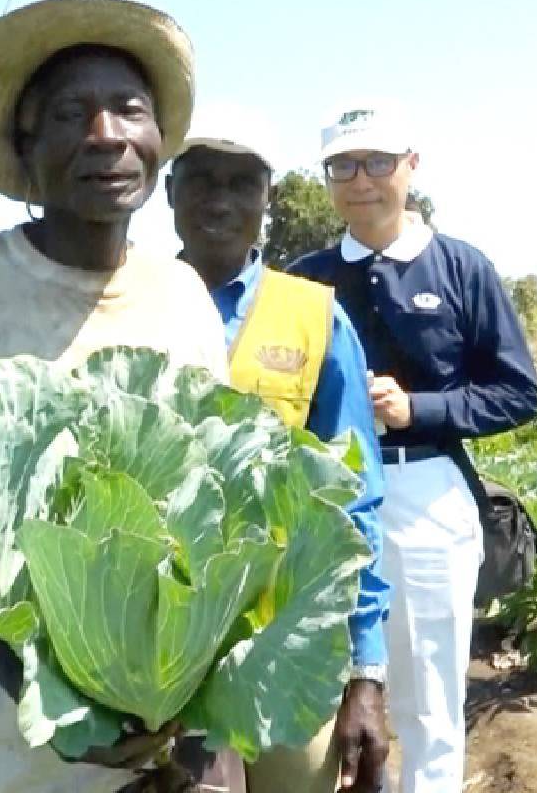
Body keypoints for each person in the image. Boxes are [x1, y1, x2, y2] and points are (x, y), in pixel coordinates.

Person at [0, 0, 240, 791]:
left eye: (129, 110)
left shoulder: (183, 293)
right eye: (71, 115)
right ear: (27, 146)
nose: (106, 136)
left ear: (157, 138)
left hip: (184, 740)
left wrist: (197, 729)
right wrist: (64, 705)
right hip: (22, 754)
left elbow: (231, 520)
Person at [289, 102, 537, 793]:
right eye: (342, 165)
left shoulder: (461, 268)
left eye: (377, 161)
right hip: (322, 499)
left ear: (412, 166)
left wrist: (419, 409)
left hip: (425, 492)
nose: (359, 179)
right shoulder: (303, 278)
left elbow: (518, 392)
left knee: (428, 692)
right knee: (314, 683)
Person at [166, 121, 391, 793]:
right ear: (168, 192)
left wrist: (366, 673)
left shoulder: (314, 315)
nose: (220, 200)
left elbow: (356, 497)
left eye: (243, 184)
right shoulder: (129, 306)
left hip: (290, 642)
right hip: (162, 653)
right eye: (201, 180)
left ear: (269, 197)